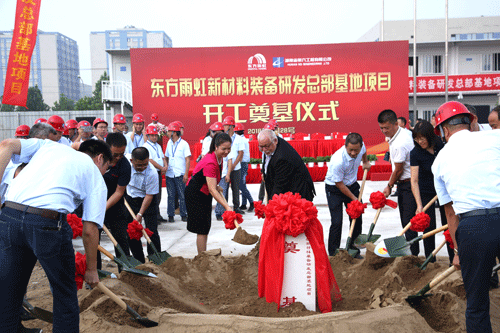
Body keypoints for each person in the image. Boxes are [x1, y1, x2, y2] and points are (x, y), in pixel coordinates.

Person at [0, 138, 110, 333]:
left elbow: (6, 144)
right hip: (47, 224)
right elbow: (90, 229)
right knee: (64, 294)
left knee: (9, 291)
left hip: (10, 216)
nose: (104, 173)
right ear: (100, 159)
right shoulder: (93, 172)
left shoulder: (48, 146)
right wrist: (92, 270)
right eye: (106, 168)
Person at [432, 101, 500, 333]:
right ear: (471, 121)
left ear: (444, 130)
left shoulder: (439, 160)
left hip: (474, 227)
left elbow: (450, 214)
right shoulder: (494, 138)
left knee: (477, 304)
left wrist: (458, 251)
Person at [409, 120, 453, 264]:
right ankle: (430, 260)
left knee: (449, 223)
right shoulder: (415, 153)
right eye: (417, 138)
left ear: (430, 135)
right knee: (429, 227)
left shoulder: (441, 145)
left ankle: (454, 258)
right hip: (426, 192)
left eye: (422, 138)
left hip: (444, 191)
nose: (420, 141)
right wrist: (419, 205)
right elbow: (414, 181)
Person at [378, 110, 418, 255]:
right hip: (405, 183)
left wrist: (389, 186)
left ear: (396, 124)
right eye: (381, 128)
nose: (384, 131)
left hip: (407, 184)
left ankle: (413, 255)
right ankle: (411, 251)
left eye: (386, 128)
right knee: (407, 221)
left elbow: (399, 170)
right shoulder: (400, 133)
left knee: (408, 222)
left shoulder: (400, 143)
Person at [185, 133, 233, 254]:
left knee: (206, 226)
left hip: (204, 191)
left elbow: (210, 182)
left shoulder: (218, 157)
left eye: (229, 148)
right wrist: (227, 207)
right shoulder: (210, 162)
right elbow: (212, 190)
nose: (226, 151)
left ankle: (203, 254)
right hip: (196, 194)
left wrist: (216, 186)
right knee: (202, 228)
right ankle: (202, 257)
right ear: (216, 147)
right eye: (224, 149)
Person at [324, 133, 370, 257]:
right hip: (335, 188)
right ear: (345, 146)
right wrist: (354, 199)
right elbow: (339, 185)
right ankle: (334, 253)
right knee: (337, 221)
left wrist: (365, 161)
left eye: (356, 150)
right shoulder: (338, 160)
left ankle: (353, 250)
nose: (354, 153)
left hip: (352, 184)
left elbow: (364, 151)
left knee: (356, 217)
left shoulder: (362, 147)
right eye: (350, 150)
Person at [97, 133, 132, 270]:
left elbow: (119, 192)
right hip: (94, 204)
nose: (118, 157)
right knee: (93, 241)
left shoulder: (124, 165)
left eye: (121, 154)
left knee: (121, 240)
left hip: (115, 206)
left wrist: (104, 208)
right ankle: (96, 273)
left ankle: (124, 271)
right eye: (115, 154)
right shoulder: (96, 159)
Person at [124, 147, 161, 263]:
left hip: (148, 201)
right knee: (131, 231)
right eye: (139, 165)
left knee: (151, 231)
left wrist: (140, 214)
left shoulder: (152, 173)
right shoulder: (125, 164)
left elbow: (149, 196)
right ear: (132, 161)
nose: (142, 168)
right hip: (130, 199)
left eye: (145, 164)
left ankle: (155, 259)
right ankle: (139, 260)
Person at [259, 129, 315, 202]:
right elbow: (267, 160)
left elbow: (279, 187)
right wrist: (264, 172)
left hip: (297, 193)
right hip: (286, 189)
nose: (264, 150)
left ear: (275, 141)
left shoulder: (282, 157)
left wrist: (271, 205)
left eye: (266, 146)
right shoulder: (271, 144)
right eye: (261, 147)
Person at [214, 116, 246, 219]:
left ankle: (236, 207)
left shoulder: (239, 138)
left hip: (236, 167)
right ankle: (224, 209)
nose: (225, 127)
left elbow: (240, 154)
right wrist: (228, 168)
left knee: (236, 188)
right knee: (224, 189)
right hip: (225, 167)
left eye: (226, 125)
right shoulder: (223, 138)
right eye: (224, 125)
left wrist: (232, 166)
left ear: (232, 126)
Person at [165, 122, 191, 222]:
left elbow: (187, 160)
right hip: (170, 174)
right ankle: (170, 215)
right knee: (171, 195)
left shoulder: (184, 144)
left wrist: (186, 174)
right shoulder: (169, 143)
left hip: (180, 174)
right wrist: (166, 166)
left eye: (169, 131)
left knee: (182, 195)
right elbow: (166, 156)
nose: (167, 133)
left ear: (174, 133)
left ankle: (183, 214)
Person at [143, 125, 168, 222]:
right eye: (152, 135)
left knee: (158, 195)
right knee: (152, 195)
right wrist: (161, 167)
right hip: (151, 173)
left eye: (155, 135)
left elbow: (162, 157)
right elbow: (150, 160)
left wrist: (165, 166)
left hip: (158, 172)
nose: (154, 137)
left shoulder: (158, 146)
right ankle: (153, 216)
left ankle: (158, 215)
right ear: (148, 136)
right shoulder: (146, 146)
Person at [235, 123, 255, 212]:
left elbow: (240, 153)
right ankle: (243, 204)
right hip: (243, 163)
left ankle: (251, 202)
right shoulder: (243, 139)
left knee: (241, 185)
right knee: (242, 183)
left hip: (242, 163)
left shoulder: (240, 140)